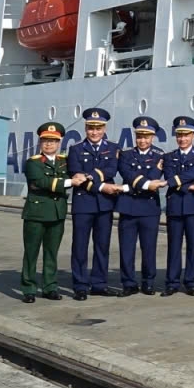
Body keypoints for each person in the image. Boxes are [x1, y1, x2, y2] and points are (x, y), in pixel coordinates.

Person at [20, 122, 84, 302]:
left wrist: (81, 176)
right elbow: (41, 182)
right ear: (40, 143)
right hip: (36, 213)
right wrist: (71, 182)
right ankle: (29, 288)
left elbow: (76, 172)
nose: (49, 144)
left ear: (59, 143)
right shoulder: (33, 163)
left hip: (57, 213)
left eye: (53, 141)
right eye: (45, 141)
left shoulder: (65, 161)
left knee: (51, 252)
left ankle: (50, 287)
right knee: (31, 252)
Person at [66, 107, 121, 300]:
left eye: (98, 128)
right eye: (91, 128)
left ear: (104, 128)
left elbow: (111, 170)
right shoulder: (75, 149)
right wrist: (100, 185)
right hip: (83, 205)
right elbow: (74, 172)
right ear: (85, 128)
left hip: (104, 205)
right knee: (80, 246)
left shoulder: (113, 149)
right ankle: (80, 284)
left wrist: (89, 175)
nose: (94, 132)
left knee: (102, 245)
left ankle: (99, 283)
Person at [116, 116, 166, 296]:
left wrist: (140, 180)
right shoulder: (126, 154)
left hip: (149, 208)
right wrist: (146, 184)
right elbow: (127, 173)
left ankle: (148, 281)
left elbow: (155, 174)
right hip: (128, 207)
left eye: (146, 137)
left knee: (149, 247)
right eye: (139, 136)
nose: (142, 140)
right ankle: (128, 283)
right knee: (127, 248)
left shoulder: (160, 155)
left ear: (152, 137)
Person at [163, 116, 194, 296]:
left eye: (186, 135)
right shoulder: (169, 157)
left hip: (193, 207)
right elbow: (170, 178)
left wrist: (176, 182)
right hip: (174, 206)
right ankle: (172, 282)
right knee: (174, 246)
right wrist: (190, 186)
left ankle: (191, 282)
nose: (182, 139)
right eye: (179, 135)